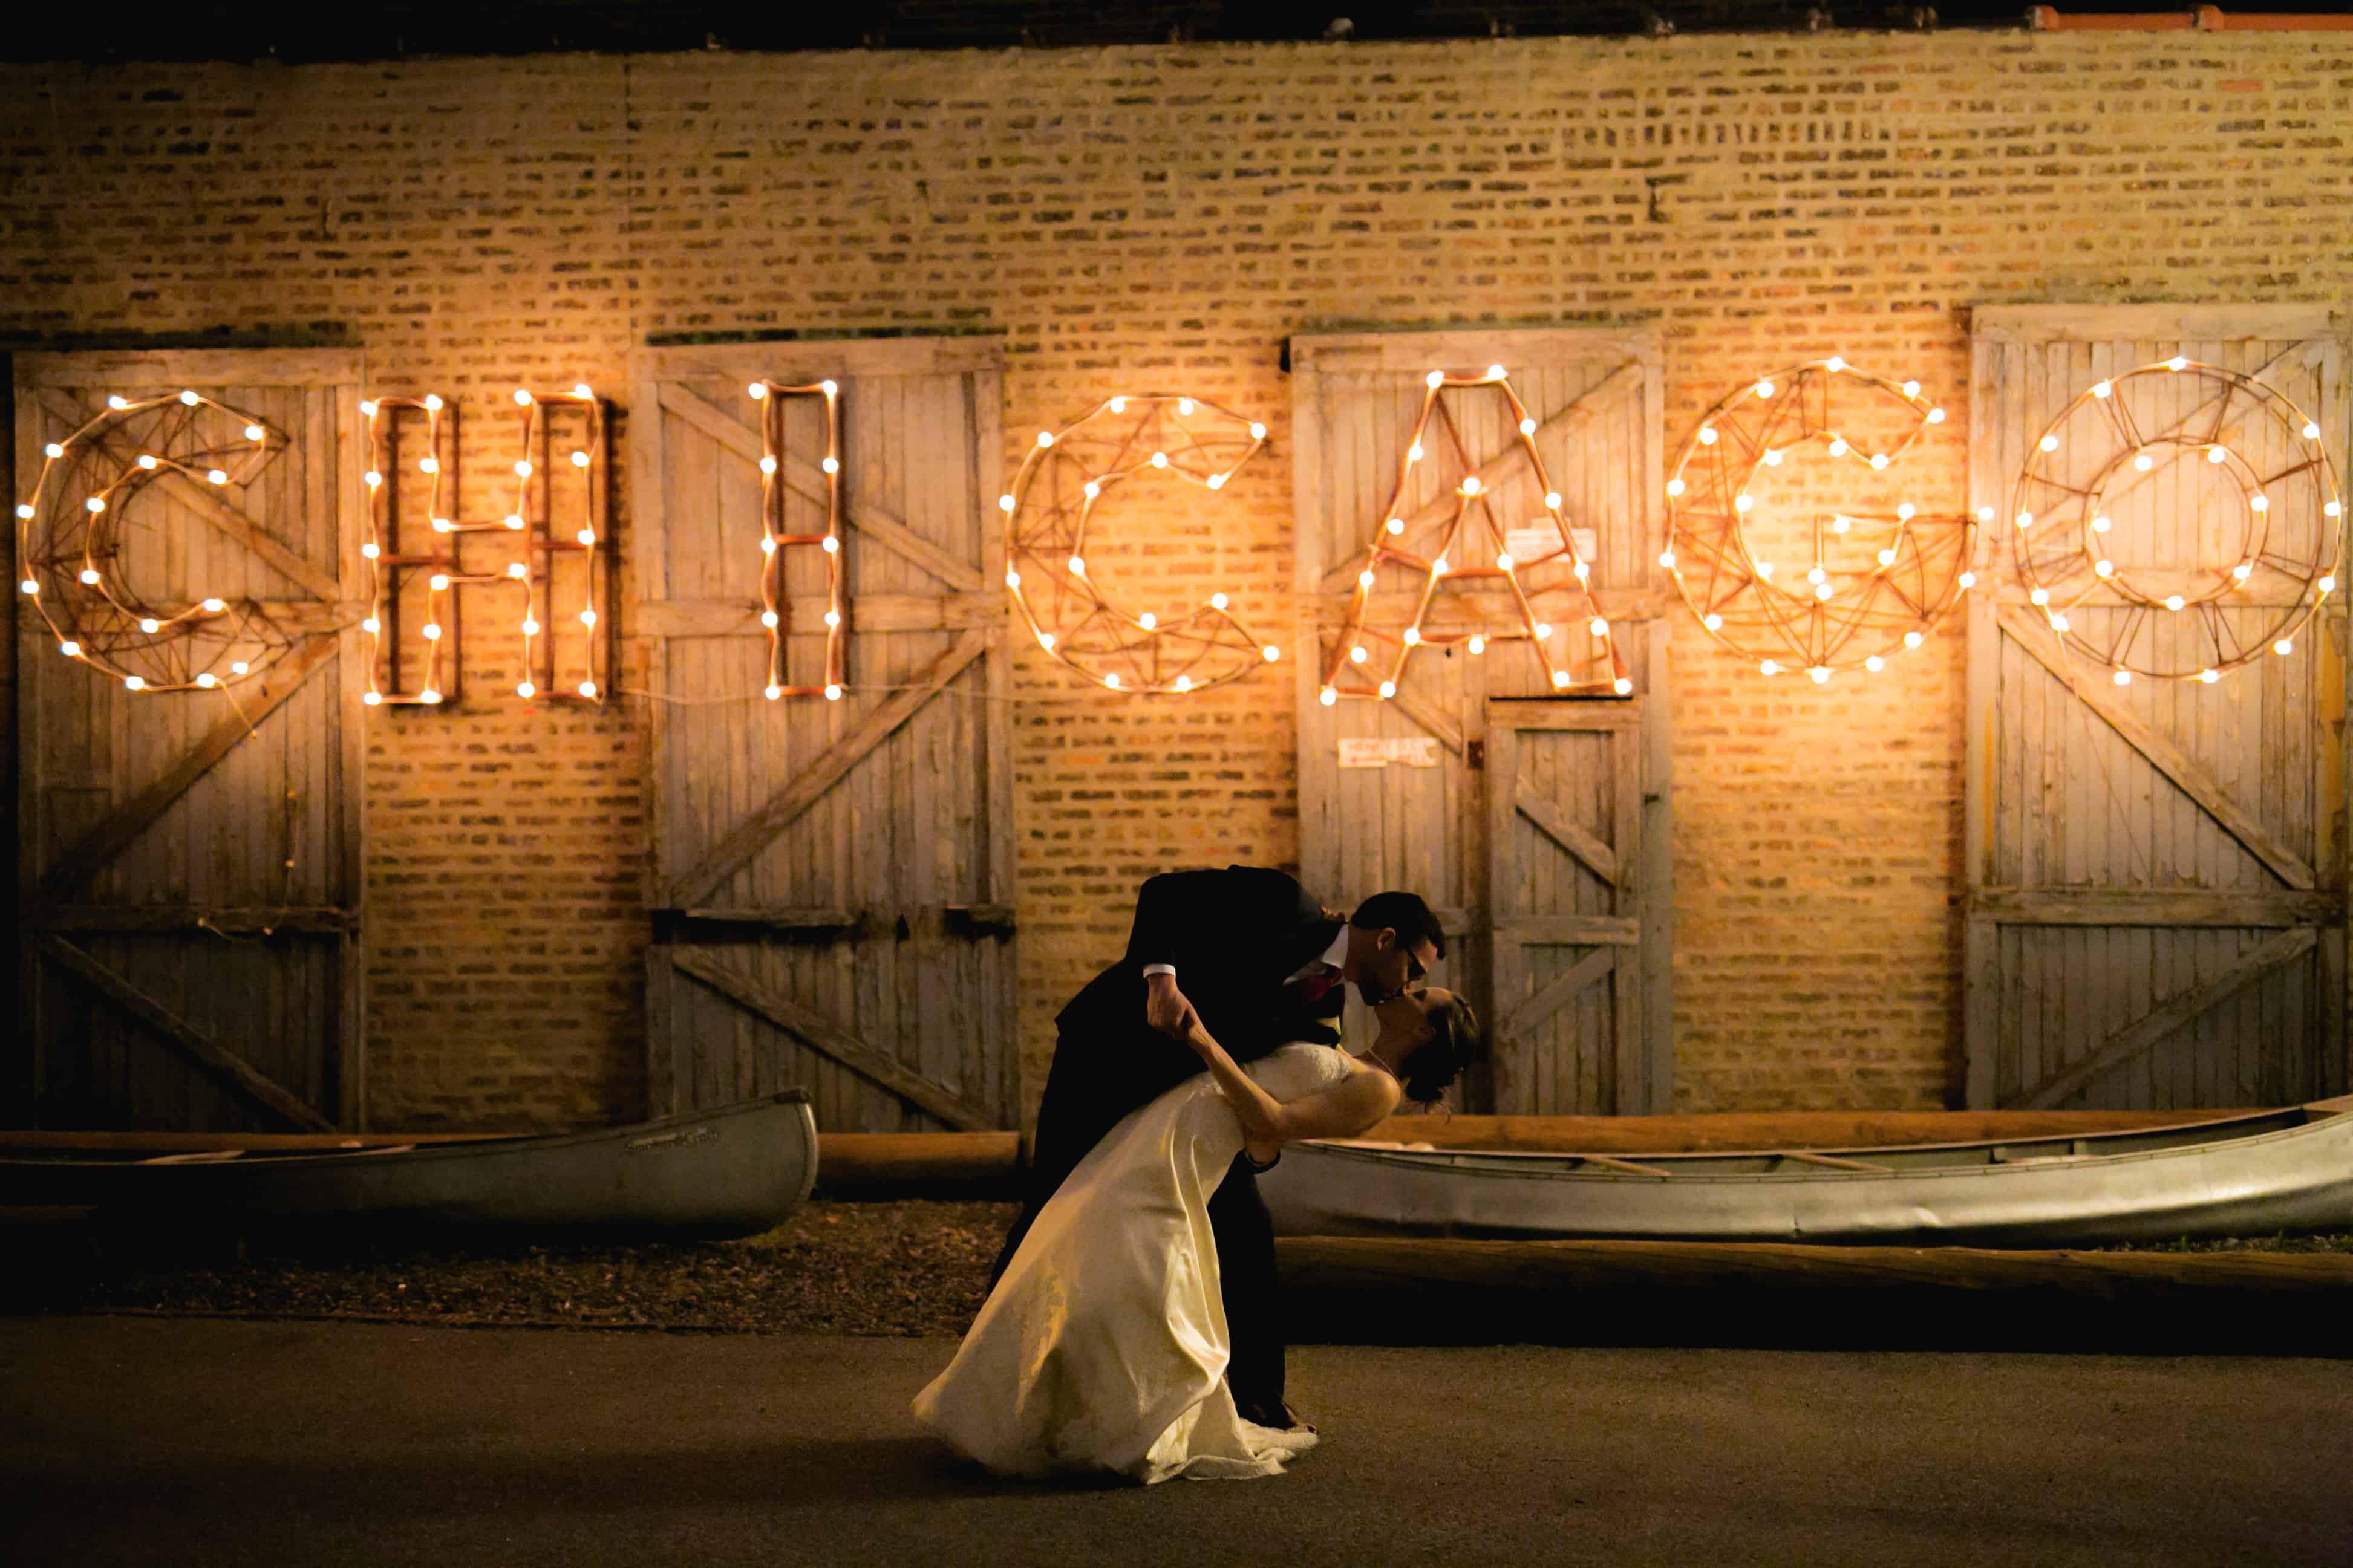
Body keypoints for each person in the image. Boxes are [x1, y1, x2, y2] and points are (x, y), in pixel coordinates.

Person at [915, 986, 1482, 1483]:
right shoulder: (1348, 1049)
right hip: (1169, 1124)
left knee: (1128, 1265)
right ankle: (1048, 1407)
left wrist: (1204, 1044)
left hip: (1190, 1151)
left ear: (1425, 1028)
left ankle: (1118, 1422)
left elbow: (1274, 1125)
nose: (1408, 989)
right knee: (1080, 1244)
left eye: (1422, 994)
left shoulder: (1379, 1089)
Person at [986, 869, 1446, 1430]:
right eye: (1415, 969)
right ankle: (989, 1374)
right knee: (1051, 1199)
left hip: (1181, 1106)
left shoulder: (1329, 1013)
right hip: (1107, 1055)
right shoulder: (1285, 901)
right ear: (1386, 940)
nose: (1407, 984)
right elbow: (1162, 893)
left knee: (1248, 1228)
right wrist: (1161, 980)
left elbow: (1269, 1081)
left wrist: (1261, 1149)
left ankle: (1258, 1394)